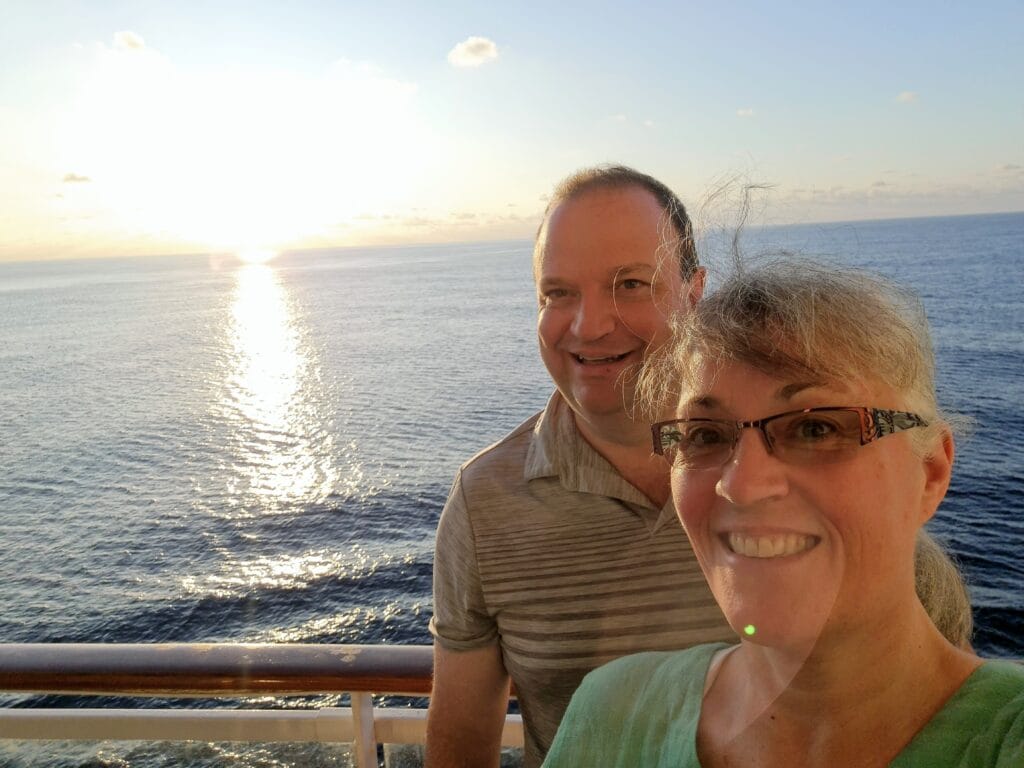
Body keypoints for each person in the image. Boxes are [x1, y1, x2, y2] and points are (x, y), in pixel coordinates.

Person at [543, 259, 1024, 767]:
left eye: (816, 429)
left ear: (929, 472)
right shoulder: (613, 713)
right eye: (704, 435)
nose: (742, 485)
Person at [425, 166, 737, 768]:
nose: (588, 325)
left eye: (630, 283)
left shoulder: (778, 463)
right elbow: (461, 743)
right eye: (557, 293)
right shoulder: (484, 501)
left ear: (694, 293)